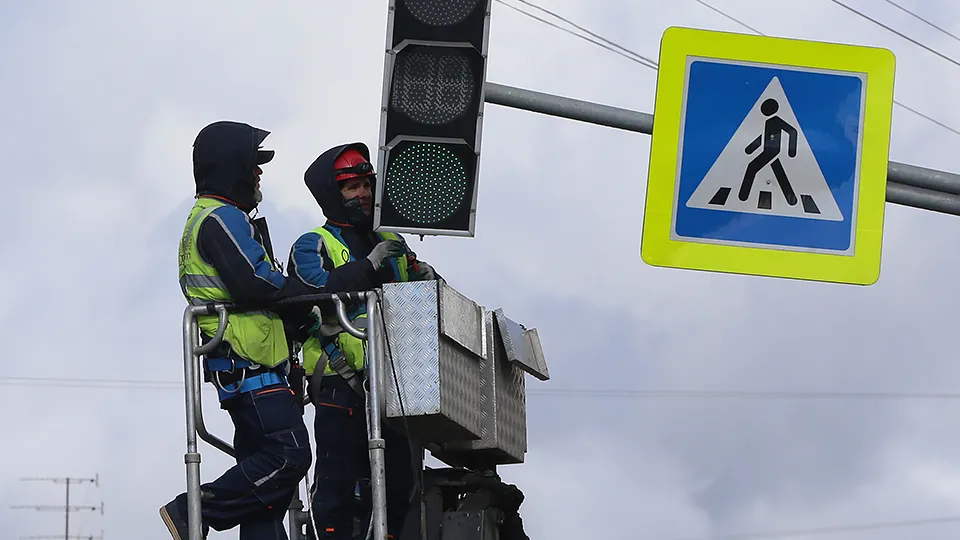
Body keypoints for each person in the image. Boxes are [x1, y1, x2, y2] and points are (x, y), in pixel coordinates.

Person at [162, 120, 316, 540]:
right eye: (254, 165)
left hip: (253, 369)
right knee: (289, 455)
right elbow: (257, 283)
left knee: (267, 499)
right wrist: (313, 291)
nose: (259, 174)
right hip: (250, 369)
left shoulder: (219, 218)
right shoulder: (220, 218)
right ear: (232, 166)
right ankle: (195, 508)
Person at [286, 142, 439, 540]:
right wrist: (367, 265)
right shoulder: (313, 244)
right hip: (342, 381)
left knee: (400, 482)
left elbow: (419, 293)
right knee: (337, 481)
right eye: (352, 187)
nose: (363, 194)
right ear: (332, 195)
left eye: (366, 185)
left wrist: (426, 276)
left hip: (396, 383)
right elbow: (315, 292)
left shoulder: (392, 241)